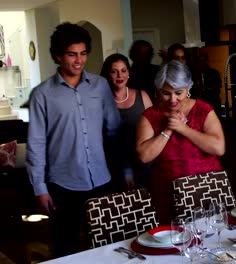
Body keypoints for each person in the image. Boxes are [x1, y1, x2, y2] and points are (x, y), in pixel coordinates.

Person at [26, 22, 121, 257]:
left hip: (102, 181)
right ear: (58, 56)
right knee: (65, 250)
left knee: (107, 247)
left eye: (83, 54)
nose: (78, 61)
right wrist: (40, 188)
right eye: (71, 54)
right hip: (62, 186)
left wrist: (125, 170)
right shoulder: (42, 94)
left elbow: (114, 130)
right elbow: (36, 144)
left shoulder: (100, 86)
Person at [136, 60, 225, 224]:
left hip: (206, 188)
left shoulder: (203, 109)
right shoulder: (150, 115)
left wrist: (184, 129)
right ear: (158, 91)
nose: (172, 99)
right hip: (166, 193)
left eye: (179, 92)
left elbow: (218, 148)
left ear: (188, 89)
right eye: (166, 93)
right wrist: (168, 129)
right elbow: (144, 156)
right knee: (173, 243)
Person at [100, 53, 153, 190]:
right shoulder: (100, 101)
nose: (120, 76)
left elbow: (155, 129)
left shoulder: (143, 96)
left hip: (144, 164)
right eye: (114, 71)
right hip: (113, 166)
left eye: (123, 71)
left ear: (128, 73)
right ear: (107, 74)